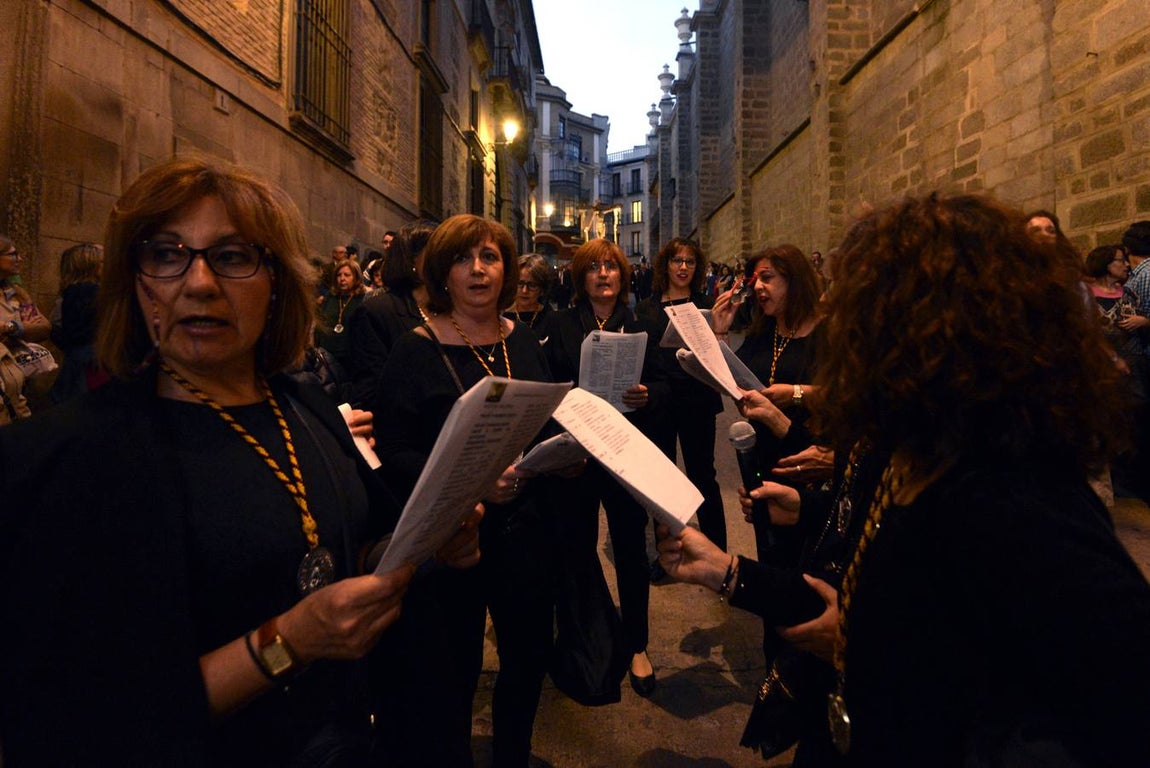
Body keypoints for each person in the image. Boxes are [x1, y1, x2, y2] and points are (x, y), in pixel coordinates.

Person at [0, 158, 480, 766]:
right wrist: (285, 645)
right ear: (137, 283)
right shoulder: (61, 460)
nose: (199, 283)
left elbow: (335, 551)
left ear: (276, 283)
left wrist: (417, 550)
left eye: (231, 257)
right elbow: (74, 714)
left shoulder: (307, 406)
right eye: (167, 255)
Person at [665, 192, 1150, 765]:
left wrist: (870, 651)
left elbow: (1097, 713)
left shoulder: (1021, 496)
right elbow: (867, 567)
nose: (844, 324)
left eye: (865, 308)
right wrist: (729, 567)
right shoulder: (912, 441)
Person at [371, 214, 558, 767]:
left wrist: (558, 456)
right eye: (461, 258)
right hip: (454, 539)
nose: (477, 269)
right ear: (441, 273)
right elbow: (393, 449)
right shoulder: (415, 349)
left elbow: (542, 420)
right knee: (455, 670)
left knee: (527, 660)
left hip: (524, 532)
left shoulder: (521, 339)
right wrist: (473, 481)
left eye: (491, 256)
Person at [544, 238, 666, 697]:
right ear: (581, 278)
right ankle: (583, 638)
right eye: (593, 267)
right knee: (574, 547)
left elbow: (665, 385)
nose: (603, 274)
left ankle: (637, 644)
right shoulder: (560, 325)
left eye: (611, 267)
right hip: (576, 453)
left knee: (631, 550)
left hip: (622, 451)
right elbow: (549, 383)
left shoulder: (642, 323)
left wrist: (648, 395)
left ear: (623, 275)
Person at [635, 237, 726, 553]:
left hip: (697, 398)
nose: (684, 267)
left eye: (690, 261)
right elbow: (643, 356)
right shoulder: (647, 308)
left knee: (703, 474)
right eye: (677, 261)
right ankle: (666, 552)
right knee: (664, 479)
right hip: (659, 400)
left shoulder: (704, 305)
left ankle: (717, 551)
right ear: (666, 265)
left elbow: (716, 356)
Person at [348, 220, 437, 408]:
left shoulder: (452, 308)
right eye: (437, 250)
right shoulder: (377, 312)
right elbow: (370, 391)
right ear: (412, 259)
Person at [48, 242, 108, 403]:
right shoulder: (89, 291)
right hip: (89, 358)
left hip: (80, 356)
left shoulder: (72, 290)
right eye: (103, 262)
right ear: (91, 266)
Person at [314, 257, 366, 377]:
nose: (342, 279)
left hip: (350, 357)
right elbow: (320, 323)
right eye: (339, 275)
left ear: (356, 277)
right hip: (327, 355)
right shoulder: (330, 297)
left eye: (347, 275)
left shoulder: (363, 299)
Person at [504, 253, 554, 338]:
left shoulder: (549, 316)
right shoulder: (503, 316)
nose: (524, 290)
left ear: (542, 289)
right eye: (520, 283)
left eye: (532, 285)